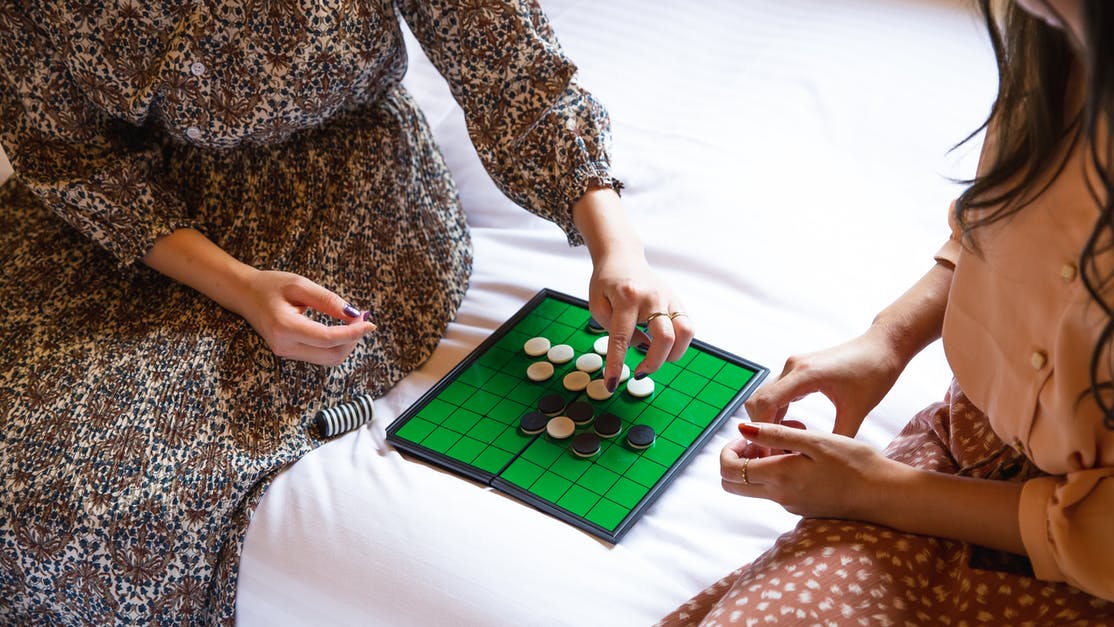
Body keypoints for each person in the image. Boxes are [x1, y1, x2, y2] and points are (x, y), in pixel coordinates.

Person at [0, 1, 693, 623]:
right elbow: (65, 151)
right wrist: (241, 287)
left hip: (340, 185)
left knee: (115, 500)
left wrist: (617, 245)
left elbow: (515, 75)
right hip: (137, 215)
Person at [660, 1, 1114, 624]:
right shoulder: (1050, 44)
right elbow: (993, 226)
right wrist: (888, 340)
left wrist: (871, 491)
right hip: (968, 450)